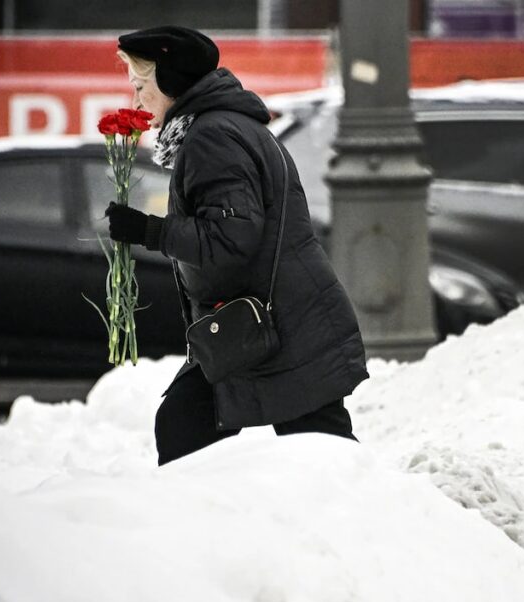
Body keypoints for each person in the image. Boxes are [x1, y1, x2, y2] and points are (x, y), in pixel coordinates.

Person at [107, 26, 368, 465]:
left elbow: (232, 238)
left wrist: (149, 231)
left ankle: (385, 524)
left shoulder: (213, 138)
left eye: (141, 86)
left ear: (171, 82)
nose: (136, 100)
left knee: (324, 455)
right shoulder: (224, 127)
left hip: (276, 326)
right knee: (189, 427)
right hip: (260, 324)